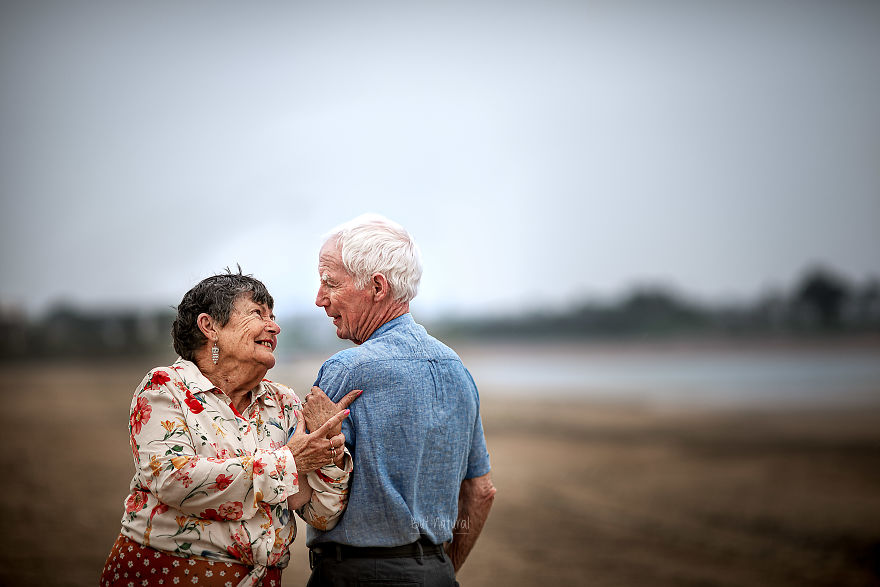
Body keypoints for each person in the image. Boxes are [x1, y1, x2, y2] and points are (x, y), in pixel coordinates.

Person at [100, 270, 359, 587]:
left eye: (273, 316)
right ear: (209, 327)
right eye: (258, 313)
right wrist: (288, 463)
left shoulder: (284, 404)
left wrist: (330, 451)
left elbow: (321, 515)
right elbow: (173, 479)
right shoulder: (166, 388)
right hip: (166, 576)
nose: (274, 326)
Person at [301, 214, 496, 586]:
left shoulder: (347, 368)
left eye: (330, 282)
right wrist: (438, 571)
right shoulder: (458, 370)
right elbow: (482, 492)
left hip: (356, 575)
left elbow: (310, 495)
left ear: (377, 286)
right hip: (438, 573)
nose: (319, 299)